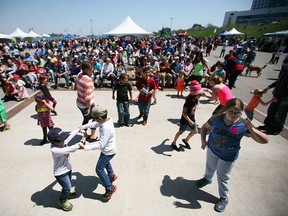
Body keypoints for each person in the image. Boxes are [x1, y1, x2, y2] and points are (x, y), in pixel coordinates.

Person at [197, 98, 269, 212]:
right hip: (212, 149)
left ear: (241, 113)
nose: (234, 115)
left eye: (237, 113)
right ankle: (207, 178)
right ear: (225, 110)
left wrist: (252, 130)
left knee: (223, 177)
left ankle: (224, 198)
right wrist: (203, 141)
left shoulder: (244, 124)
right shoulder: (216, 118)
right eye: (231, 111)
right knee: (209, 166)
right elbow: (204, 127)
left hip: (228, 156)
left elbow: (265, 140)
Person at [78, 106, 118, 201]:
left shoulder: (106, 128)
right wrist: (83, 126)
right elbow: (95, 124)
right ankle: (111, 175)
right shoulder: (107, 119)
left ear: (100, 118)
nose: (95, 121)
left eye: (95, 118)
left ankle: (110, 188)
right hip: (108, 149)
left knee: (99, 169)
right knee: (105, 162)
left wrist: (85, 147)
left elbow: (101, 145)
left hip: (108, 151)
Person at [48, 127, 83, 211]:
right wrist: (81, 143)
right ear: (54, 142)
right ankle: (62, 200)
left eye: (64, 139)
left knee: (69, 184)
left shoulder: (61, 142)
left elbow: (70, 136)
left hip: (68, 168)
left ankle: (67, 193)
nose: (64, 141)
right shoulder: (55, 150)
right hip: (60, 174)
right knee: (67, 187)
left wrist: (78, 129)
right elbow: (71, 149)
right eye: (61, 140)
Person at [258, 58, 288, 135]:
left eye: (287, 64)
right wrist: (268, 87)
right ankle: (268, 125)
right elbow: (278, 81)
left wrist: (278, 97)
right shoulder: (284, 70)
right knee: (271, 111)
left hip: (285, 98)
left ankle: (276, 129)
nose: (285, 65)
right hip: (277, 95)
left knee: (280, 114)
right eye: (284, 63)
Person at [171, 83, 203, 151]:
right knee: (180, 132)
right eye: (199, 94)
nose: (201, 95)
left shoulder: (196, 100)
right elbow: (184, 112)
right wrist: (189, 121)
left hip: (192, 118)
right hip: (185, 119)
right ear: (195, 95)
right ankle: (173, 143)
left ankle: (186, 140)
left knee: (195, 131)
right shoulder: (188, 102)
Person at [75, 61, 98, 142]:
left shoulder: (79, 75)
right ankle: (92, 135)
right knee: (95, 117)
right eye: (91, 69)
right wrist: (88, 108)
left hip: (80, 102)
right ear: (87, 70)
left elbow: (76, 85)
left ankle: (85, 135)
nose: (92, 70)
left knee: (86, 119)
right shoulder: (88, 80)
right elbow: (87, 97)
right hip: (87, 104)